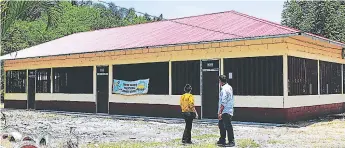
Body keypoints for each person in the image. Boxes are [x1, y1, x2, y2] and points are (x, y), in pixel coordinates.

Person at [217, 75, 235, 147]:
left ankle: (231, 141)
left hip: (225, 110)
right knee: (221, 125)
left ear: (220, 81)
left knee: (227, 126)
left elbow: (223, 102)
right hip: (229, 109)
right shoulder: (229, 87)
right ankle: (222, 139)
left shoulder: (224, 89)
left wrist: (220, 112)